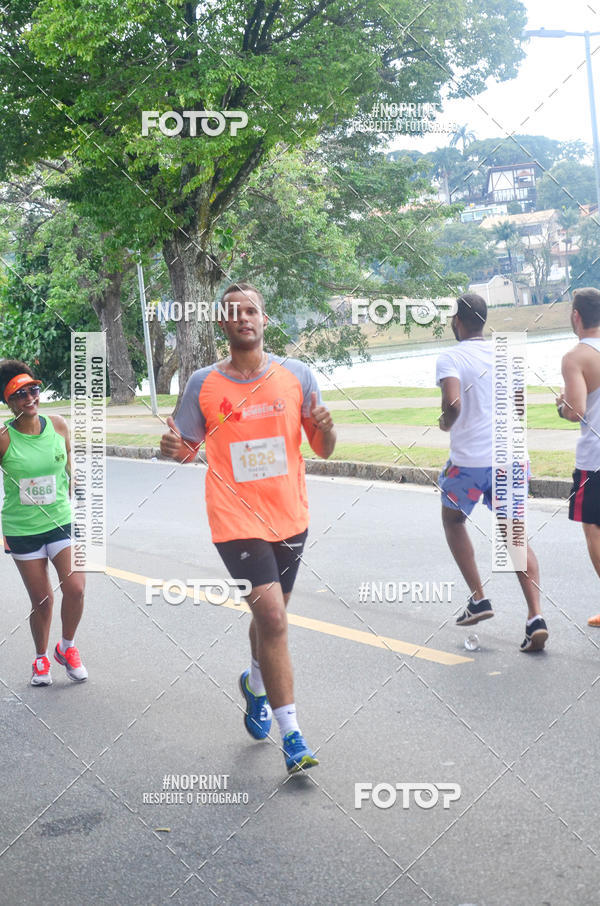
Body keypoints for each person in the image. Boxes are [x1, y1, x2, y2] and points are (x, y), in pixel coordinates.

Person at [160, 282, 336, 773]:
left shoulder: (297, 375)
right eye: (233, 313)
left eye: (252, 311)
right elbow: (184, 445)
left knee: (269, 619)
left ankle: (255, 687)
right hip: (234, 520)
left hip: (289, 515)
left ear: (264, 318)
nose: (244, 318)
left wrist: (327, 425)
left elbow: (324, 448)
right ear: (223, 324)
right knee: (275, 620)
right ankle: (294, 736)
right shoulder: (203, 383)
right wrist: (173, 449)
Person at [436, 294, 548, 651]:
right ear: (483, 321)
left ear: (458, 321)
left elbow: (453, 403)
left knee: (453, 521)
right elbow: (518, 406)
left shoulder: (450, 356)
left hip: (469, 463)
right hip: (512, 460)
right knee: (515, 535)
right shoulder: (507, 354)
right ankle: (535, 617)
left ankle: (479, 598)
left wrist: (445, 423)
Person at [0, 360, 87, 685]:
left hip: (61, 521)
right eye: (20, 394)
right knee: (43, 600)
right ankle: (40, 659)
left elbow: (67, 461)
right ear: (9, 403)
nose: (30, 398)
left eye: (33, 390)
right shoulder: (4, 439)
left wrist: (74, 482)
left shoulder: (59, 425)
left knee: (76, 588)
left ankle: (66, 647)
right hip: (22, 529)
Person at [556, 287, 600, 627]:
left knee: (594, 530)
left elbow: (576, 411)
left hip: (594, 460)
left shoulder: (576, 357)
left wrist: (562, 405)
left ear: (576, 316)